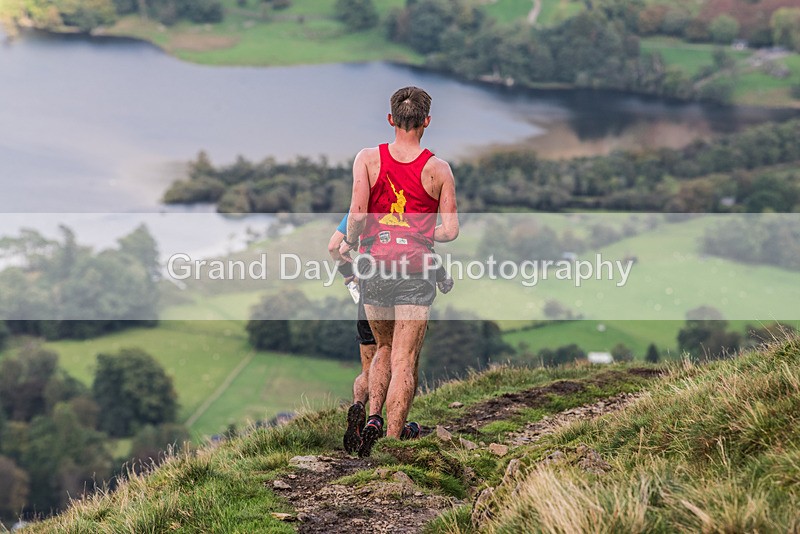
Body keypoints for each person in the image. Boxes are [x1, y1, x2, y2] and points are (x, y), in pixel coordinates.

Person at [336, 86, 459, 457]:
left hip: (374, 267)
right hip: (417, 270)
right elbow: (450, 231)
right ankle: (391, 442)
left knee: (384, 348)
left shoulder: (368, 159)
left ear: (391, 119)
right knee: (405, 357)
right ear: (426, 122)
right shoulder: (439, 169)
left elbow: (357, 216)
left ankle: (374, 416)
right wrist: (419, 232)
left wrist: (354, 242)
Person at [327, 214, 453, 455]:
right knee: (404, 360)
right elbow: (422, 245)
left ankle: (363, 409)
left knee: (372, 363)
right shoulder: (411, 208)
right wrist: (443, 277)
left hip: (370, 292)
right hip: (408, 288)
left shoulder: (359, 213)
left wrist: (348, 274)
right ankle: (396, 427)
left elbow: (335, 247)